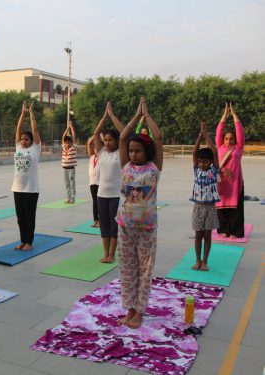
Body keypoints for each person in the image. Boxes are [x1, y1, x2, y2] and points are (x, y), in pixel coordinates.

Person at [116, 96, 163, 329]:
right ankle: (130, 308)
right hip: (125, 226)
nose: (133, 154)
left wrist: (148, 116)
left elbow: (159, 138)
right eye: (131, 151)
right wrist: (136, 115)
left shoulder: (154, 168)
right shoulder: (125, 166)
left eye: (137, 151)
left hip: (146, 228)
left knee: (145, 269)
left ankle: (140, 310)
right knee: (127, 268)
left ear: (147, 151)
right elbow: (123, 137)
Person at [93, 102, 125, 263]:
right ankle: (105, 253)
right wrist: (104, 116)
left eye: (110, 140)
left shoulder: (121, 153)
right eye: (105, 140)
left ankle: (112, 254)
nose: (107, 143)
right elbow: (96, 132)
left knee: (114, 226)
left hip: (116, 195)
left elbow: (124, 133)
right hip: (101, 194)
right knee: (104, 225)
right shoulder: (101, 153)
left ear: (117, 141)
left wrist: (112, 116)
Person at [191, 122, 220, 271]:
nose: (202, 164)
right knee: (198, 235)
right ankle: (197, 260)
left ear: (210, 162)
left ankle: (205, 261)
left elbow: (214, 151)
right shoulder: (196, 170)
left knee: (207, 235)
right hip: (198, 207)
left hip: (210, 207)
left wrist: (207, 136)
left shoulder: (214, 170)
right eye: (201, 161)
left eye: (205, 162)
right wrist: (199, 137)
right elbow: (195, 152)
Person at [12, 100, 41, 251]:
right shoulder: (18, 147)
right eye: (22, 139)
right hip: (17, 188)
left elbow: (35, 130)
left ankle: (29, 242)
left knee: (30, 217)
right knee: (20, 218)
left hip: (31, 189)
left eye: (26, 139)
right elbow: (18, 129)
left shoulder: (35, 148)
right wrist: (22, 114)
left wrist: (30, 114)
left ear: (31, 141)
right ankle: (23, 240)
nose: (23, 141)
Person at [215, 103, 245, 239]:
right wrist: (224, 115)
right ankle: (224, 230)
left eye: (231, 138)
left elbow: (240, 132)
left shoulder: (238, 148)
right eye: (226, 138)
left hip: (235, 183)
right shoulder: (220, 147)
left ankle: (235, 231)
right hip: (222, 182)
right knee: (221, 207)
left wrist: (233, 114)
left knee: (236, 209)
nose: (228, 140)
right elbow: (218, 131)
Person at [61, 120, 78, 204]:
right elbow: (63, 136)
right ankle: (68, 198)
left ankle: (73, 198)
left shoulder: (73, 148)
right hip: (64, 168)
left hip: (71, 169)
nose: (67, 144)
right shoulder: (64, 148)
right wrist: (67, 128)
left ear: (71, 143)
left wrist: (71, 126)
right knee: (67, 184)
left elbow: (74, 136)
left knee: (72, 184)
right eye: (65, 143)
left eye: (68, 142)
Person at [86, 135, 100, 227]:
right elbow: (88, 143)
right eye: (95, 148)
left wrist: (101, 137)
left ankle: (101, 221)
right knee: (95, 202)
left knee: (100, 202)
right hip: (92, 183)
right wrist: (95, 135)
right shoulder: (92, 157)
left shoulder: (103, 157)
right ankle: (95, 220)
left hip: (100, 183)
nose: (96, 149)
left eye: (98, 147)